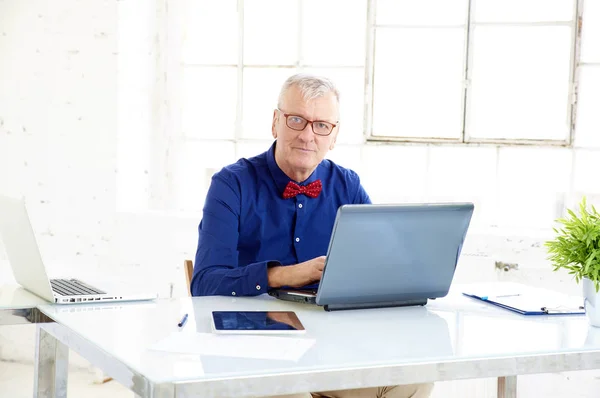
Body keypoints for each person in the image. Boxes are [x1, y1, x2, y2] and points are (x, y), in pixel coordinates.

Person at [191, 73, 433, 398]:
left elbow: (379, 269)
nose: (308, 135)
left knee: (415, 377)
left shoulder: (348, 185)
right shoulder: (231, 185)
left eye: (321, 125)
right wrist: (283, 275)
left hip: (334, 345)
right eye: (296, 120)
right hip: (256, 346)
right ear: (275, 122)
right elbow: (205, 282)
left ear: (333, 136)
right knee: (286, 390)